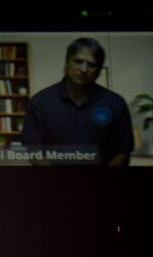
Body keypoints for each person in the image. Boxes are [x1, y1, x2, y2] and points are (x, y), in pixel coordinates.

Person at [19, 37, 134, 166]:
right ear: (67, 63)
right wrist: (59, 182)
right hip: (53, 183)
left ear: (99, 71)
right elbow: (33, 151)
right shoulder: (40, 103)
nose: (84, 69)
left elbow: (122, 152)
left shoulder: (116, 104)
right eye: (78, 61)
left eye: (91, 65)